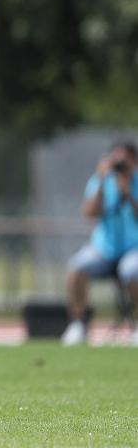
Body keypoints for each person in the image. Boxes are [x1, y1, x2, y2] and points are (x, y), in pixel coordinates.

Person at [61, 141, 138, 346]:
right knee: (76, 267)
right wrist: (103, 181)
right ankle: (79, 324)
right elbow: (89, 213)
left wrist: (128, 191)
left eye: (125, 160)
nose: (120, 164)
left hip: (134, 248)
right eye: (116, 159)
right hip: (104, 248)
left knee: (133, 270)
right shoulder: (100, 182)